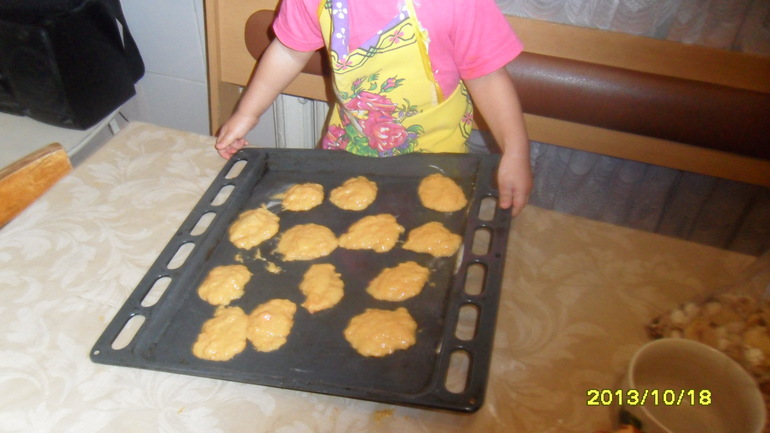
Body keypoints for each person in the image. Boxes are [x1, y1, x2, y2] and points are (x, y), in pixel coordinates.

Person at [215, 0, 532, 216]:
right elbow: (288, 52)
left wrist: (515, 151)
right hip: (346, 151)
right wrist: (247, 112)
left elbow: (488, 80)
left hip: (435, 162)